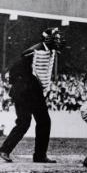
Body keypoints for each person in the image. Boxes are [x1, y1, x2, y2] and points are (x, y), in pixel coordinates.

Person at [0, 27, 65, 163]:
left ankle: (37, 155)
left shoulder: (46, 50)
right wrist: (23, 83)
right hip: (24, 91)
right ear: (48, 39)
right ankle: (6, 150)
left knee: (40, 121)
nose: (58, 41)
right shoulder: (33, 52)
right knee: (26, 122)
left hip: (33, 92)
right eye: (56, 38)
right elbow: (15, 69)